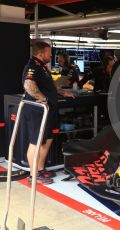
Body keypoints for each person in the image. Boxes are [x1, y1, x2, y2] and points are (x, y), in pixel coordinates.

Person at [22, 41, 74, 184]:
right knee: (36, 142)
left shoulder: (42, 67)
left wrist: (64, 92)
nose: (51, 55)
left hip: (48, 110)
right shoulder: (32, 66)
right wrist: (43, 98)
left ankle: (40, 168)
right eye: (49, 53)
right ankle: (33, 175)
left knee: (47, 139)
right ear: (40, 53)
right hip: (37, 110)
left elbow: (49, 85)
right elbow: (28, 85)